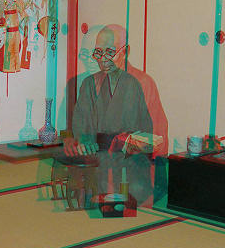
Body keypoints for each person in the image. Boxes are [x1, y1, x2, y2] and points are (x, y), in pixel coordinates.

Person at [64, 25, 167, 204]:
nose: (103, 59)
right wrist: (83, 140)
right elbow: (80, 124)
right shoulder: (90, 83)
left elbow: (157, 136)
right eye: (98, 52)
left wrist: (120, 143)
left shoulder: (143, 83)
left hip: (133, 168)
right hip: (99, 165)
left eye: (110, 52)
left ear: (125, 51)